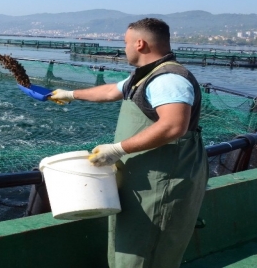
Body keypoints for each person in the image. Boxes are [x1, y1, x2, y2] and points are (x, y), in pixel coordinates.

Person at [49, 18, 208, 268]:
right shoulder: (145, 76)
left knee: (147, 253)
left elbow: (173, 125)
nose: (124, 48)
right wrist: (70, 94)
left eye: (125, 43)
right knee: (128, 250)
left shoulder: (168, 79)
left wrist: (117, 149)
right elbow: (111, 91)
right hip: (142, 180)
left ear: (140, 43)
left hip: (162, 183)